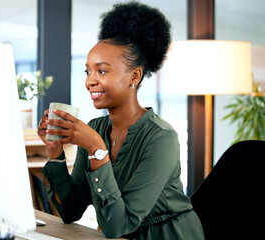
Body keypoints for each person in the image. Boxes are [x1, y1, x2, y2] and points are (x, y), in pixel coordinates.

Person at [37, 1, 205, 239]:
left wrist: (97, 149)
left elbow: (118, 225)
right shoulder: (96, 129)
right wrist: (55, 151)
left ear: (134, 76)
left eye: (102, 71)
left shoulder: (161, 138)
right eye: (88, 71)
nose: (89, 81)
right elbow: (70, 211)